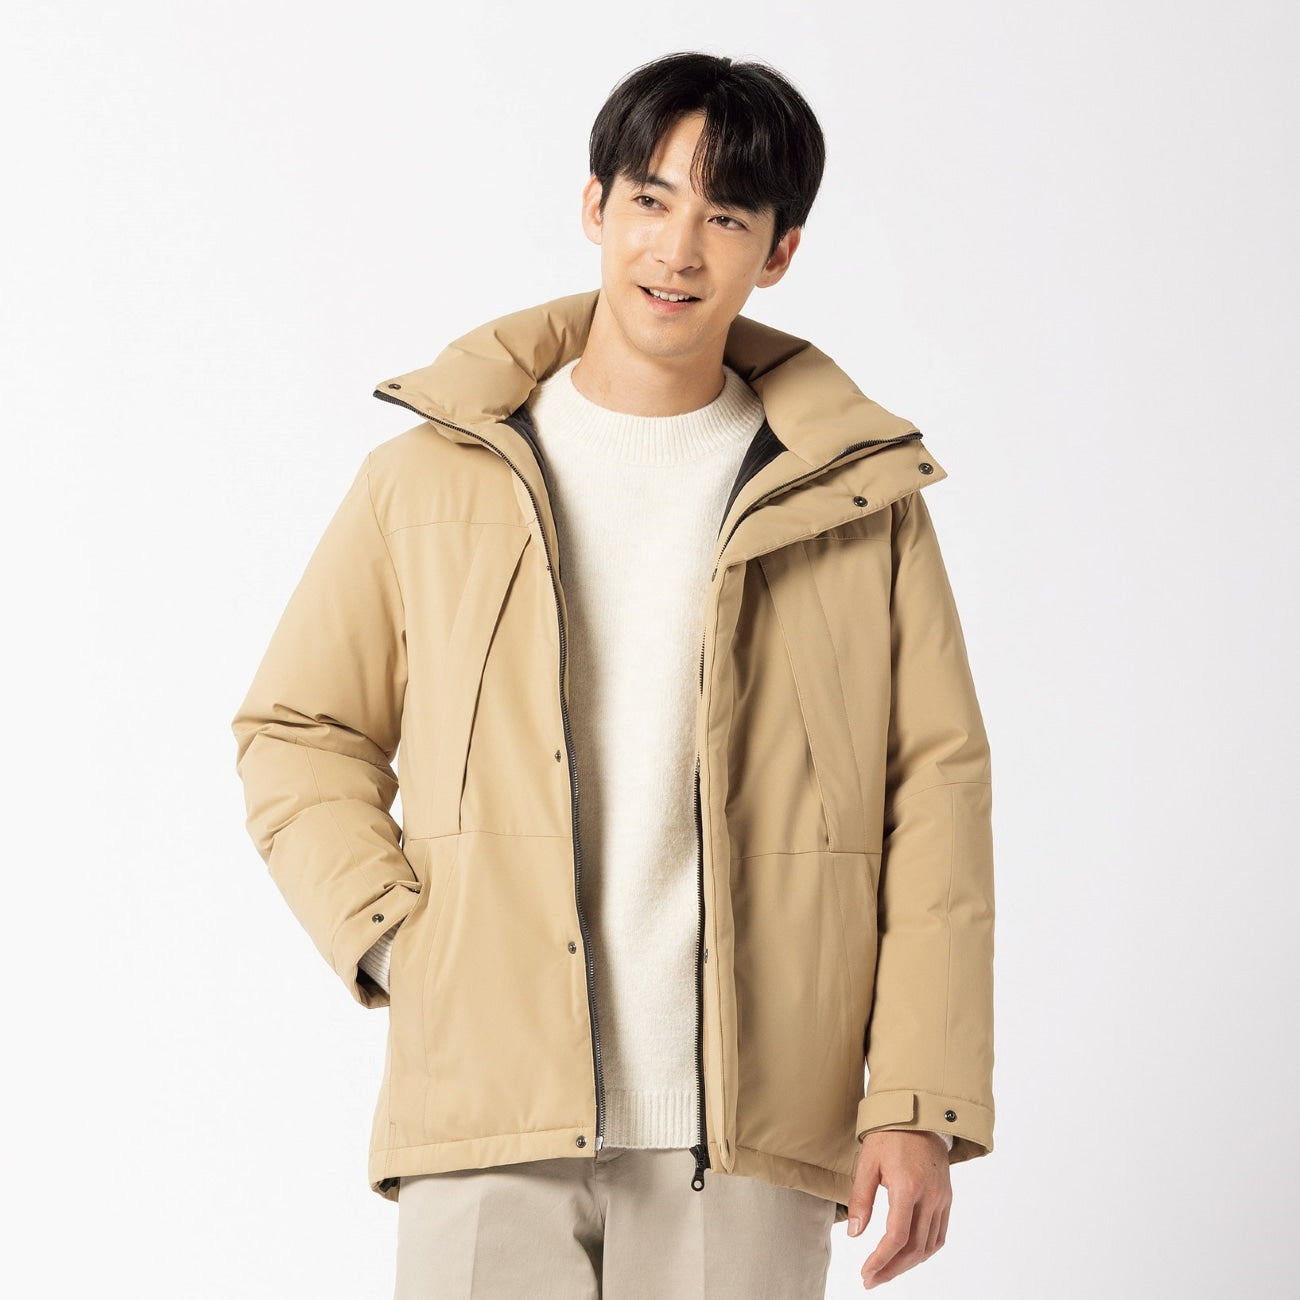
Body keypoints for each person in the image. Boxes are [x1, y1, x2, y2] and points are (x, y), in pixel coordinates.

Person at [231, 50, 995, 1298]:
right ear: (595, 206)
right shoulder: (428, 479)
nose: (677, 249)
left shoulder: (856, 503)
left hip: (748, 1129)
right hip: (488, 1111)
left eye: (726, 217)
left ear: (779, 252)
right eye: (651, 198)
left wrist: (916, 1097)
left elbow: (936, 800)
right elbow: (297, 727)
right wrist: (402, 944)